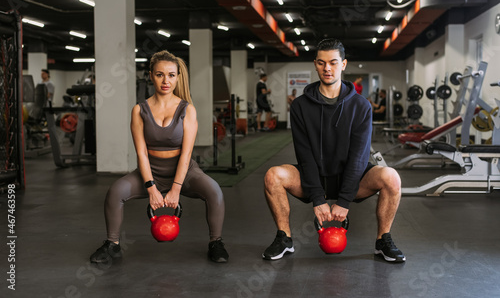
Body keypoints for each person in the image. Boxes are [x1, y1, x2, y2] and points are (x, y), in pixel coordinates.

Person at [262, 39, 405, 263]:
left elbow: (359, 157)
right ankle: (284, 238)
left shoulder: (361, 106)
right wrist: (318, 198)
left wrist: (345, 200)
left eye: (333, 62)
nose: (327, 68)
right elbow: (304, 154)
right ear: (315, 65)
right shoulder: (300, 106)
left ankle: (383, 240)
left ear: (343, 64)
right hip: (313, 179)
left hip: (353, 180)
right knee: (273, 176)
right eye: (321, 63)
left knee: (391, 177)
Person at [90, 50, 229, 264]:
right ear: (151, 75)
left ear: (178, 77)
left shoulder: (187, 109)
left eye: (172, 75)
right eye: (160, 74)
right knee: (115, 191)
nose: (166, 81)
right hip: (150, 170)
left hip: (184, 171)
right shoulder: (139, 110)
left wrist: (176, 188)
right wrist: (151, 187)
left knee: (214, 191)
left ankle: (216, 243)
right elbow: (141, 152)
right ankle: (112, 244)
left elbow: (187, 153)